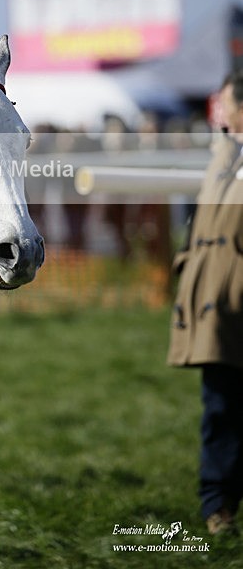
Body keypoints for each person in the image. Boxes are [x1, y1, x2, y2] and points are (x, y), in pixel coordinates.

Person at [168, 70, 243, 535]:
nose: (219, 113)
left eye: (226, 104)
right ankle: (218, 505)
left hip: (231, 300)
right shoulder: (224, 154)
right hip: (220, 305)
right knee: (220, 407)